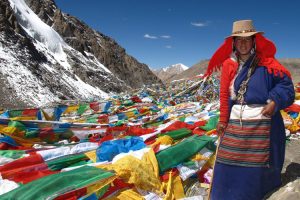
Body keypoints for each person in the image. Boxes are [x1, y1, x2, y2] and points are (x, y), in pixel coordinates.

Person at [205, 20, 295, 199]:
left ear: (254, 41)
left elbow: (286, 86)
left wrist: (274, 102)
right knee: (226, 160)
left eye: (247, 39)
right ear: (234, 42)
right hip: (237, 120)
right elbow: (224, 95)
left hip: (264, 122)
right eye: (239, 39)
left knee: (259, 165)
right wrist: (223, 121)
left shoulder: (267, 63)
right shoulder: (229, 65)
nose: (243, 43)